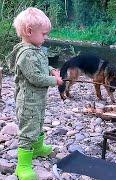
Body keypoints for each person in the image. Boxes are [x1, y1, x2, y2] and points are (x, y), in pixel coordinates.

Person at [6, 7, 63, 180]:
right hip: (27, 101)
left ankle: (37, 148)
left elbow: (41, 66)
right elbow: (35, 77)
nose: (45, 38)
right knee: (28, 129)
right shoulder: (25, 54)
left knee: (38, 122)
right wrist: (55, 81)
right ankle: (22, 166)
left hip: (37, 99)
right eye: (44, 34)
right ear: (29, 31)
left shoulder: (35, 49)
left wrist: (52, 69)